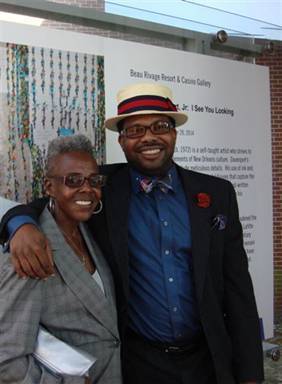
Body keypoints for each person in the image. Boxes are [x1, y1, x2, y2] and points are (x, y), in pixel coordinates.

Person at [0, 83, 264, 384]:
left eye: (160, 126)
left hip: (207, 360)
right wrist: (19, 223)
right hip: (138, 364)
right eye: (135, 130)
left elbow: (238, 289)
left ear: (174, 133)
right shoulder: (103, 188)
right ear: (122, 141)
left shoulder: (217, 193)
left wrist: (250, 374)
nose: (149, 137)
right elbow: (51, 201)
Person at [0, 135, 122, 384]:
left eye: (94, 180)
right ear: (48, 187)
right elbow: (6, 360)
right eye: (73, 180)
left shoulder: (93, 231)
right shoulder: (30, 250)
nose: (86, 188)